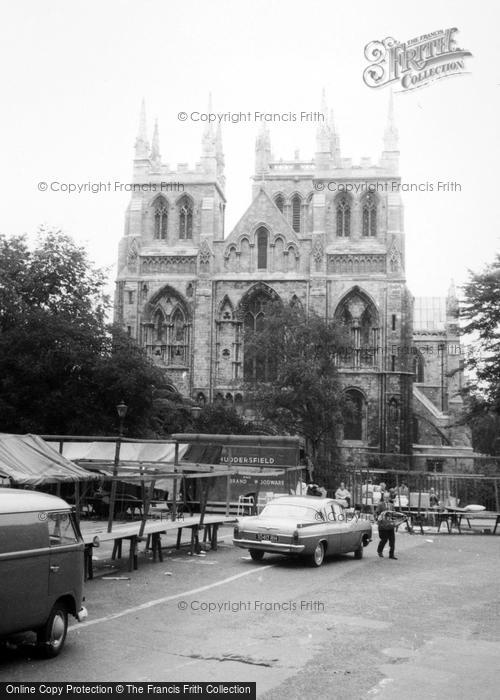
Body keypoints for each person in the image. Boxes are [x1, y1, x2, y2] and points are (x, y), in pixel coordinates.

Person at [376, 491, 398, 559]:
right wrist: (379, 518)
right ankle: (379, 550)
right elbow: (377, 513)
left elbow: (394, 514)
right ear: (383, 497)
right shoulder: (380, 505)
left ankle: (391, 555)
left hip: (390, 525)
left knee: (392, 540)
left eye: (387, 497)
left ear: (389, 498)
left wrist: (395, 522)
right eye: (385, 497)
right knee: (384, 539)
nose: (386, 498)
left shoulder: (391, 505)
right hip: (383, 526)